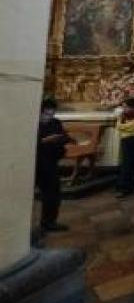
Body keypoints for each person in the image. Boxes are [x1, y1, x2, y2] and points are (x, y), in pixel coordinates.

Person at [36, 98, 73, 233]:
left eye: (51, 113)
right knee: (46, 193)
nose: (49, 116)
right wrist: (44, 140)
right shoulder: (34, 123)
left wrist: (63, 138)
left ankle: (50, 221)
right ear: (40, 112)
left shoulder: (55, 122)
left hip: (52, 161)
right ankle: (44, 222)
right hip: (39, 161)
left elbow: (63, 135)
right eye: (46, 113)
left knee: (54, 193)